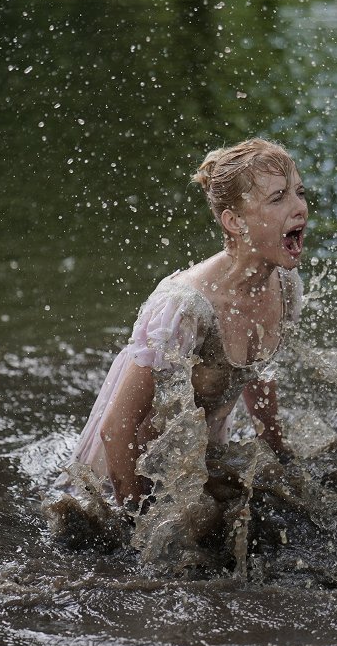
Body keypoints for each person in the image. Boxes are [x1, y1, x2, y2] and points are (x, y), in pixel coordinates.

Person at [57, 137, 307, 515]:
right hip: (127, 477)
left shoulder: (286, 287)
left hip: (199, 462)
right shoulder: (185, 308)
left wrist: (280, 454)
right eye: (278, 198)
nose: (300, 208)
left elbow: (257, 373)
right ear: (235, 221)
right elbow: (117, 428)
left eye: (300, 193)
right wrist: (135, 524)